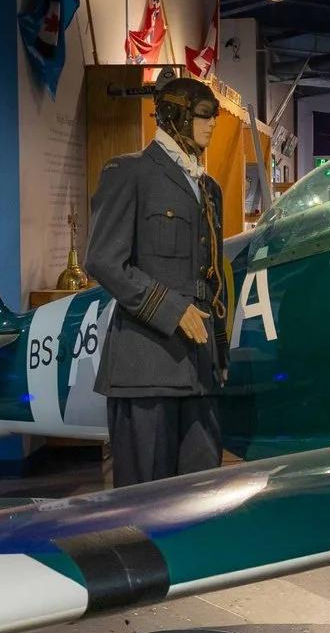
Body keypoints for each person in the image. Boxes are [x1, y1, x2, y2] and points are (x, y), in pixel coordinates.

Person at [87, 76, 228, 486]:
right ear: (175, 116)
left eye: (213, 116)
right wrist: (170, 309)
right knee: (144, 495)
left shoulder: (209, 188)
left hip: (198, 366)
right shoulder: (129, 172)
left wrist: (219, 353)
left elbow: (213, 276)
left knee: (201, 490)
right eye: (203, 115)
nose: (212, 125)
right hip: (146, 361)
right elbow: (104, 260)